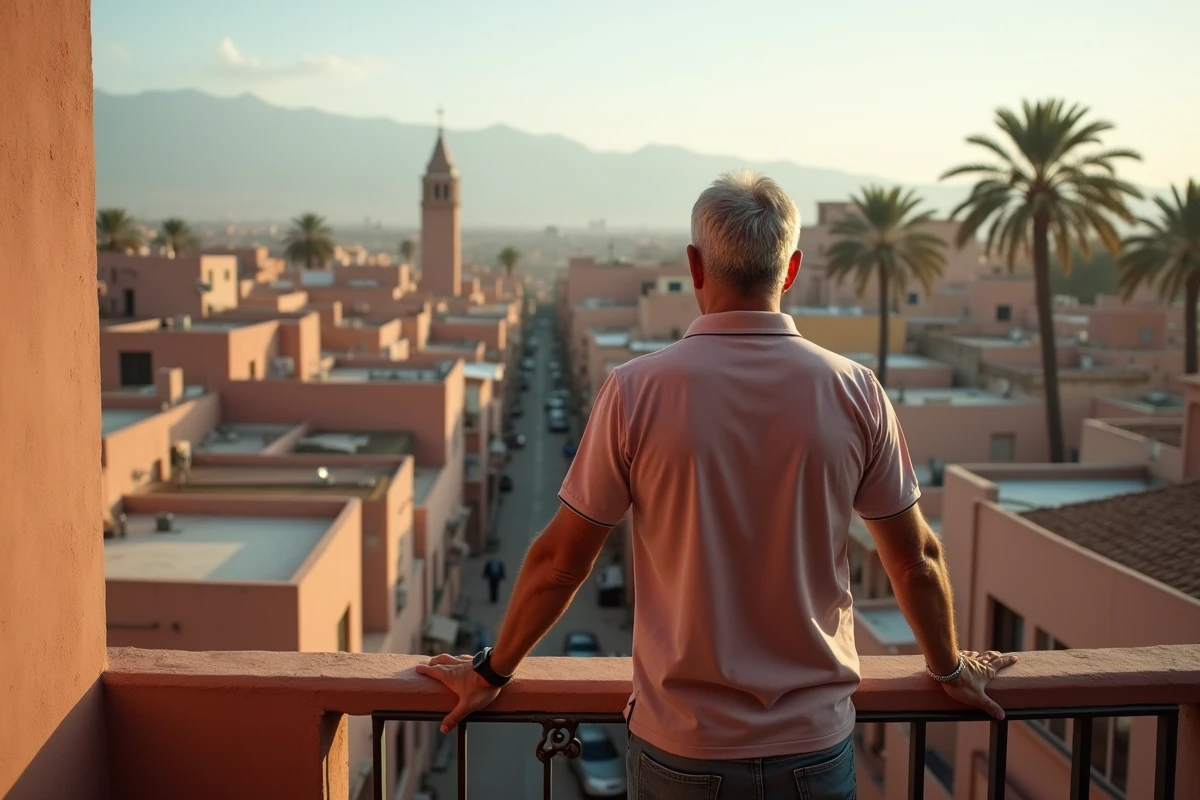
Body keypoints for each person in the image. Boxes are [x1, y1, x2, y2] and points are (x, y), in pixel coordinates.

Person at [418, 170, 1017, 799]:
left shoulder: (636, 391)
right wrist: (949, 666)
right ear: (791, 270)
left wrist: (492, 671)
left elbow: (560, 563)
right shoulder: (855, 391)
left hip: (682, 750)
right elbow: (915, 559)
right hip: (814, 750)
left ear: (695, 267)